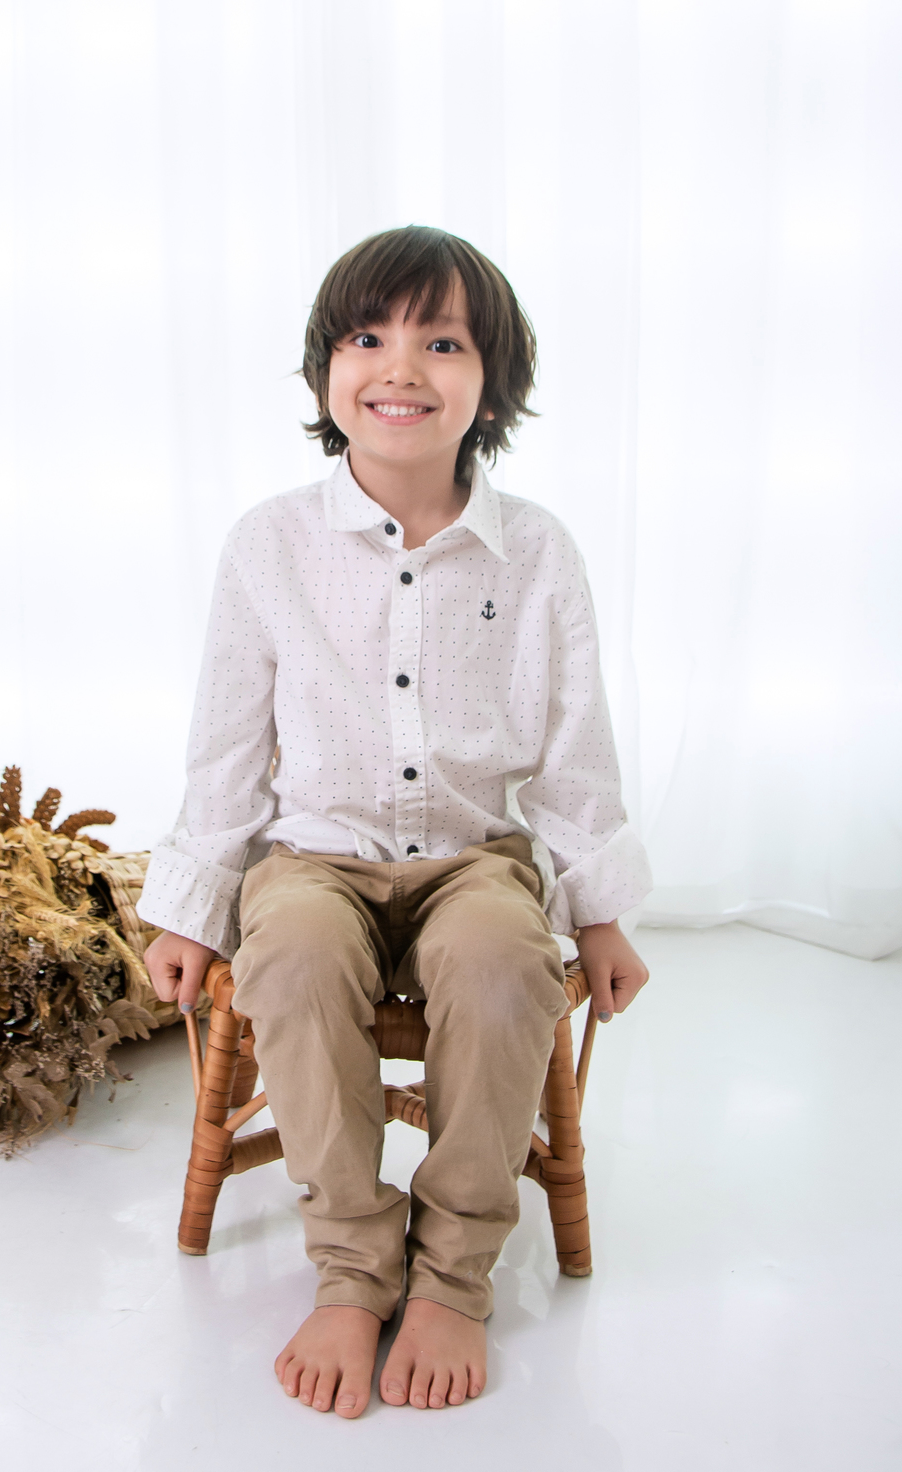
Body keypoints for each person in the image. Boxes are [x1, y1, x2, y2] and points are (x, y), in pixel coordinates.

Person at [138, 224, 651, 1418]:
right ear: (326, 369)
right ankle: (354, 1266)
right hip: (314, 858)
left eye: (443, 342)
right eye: (366, 338)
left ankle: (455, 1273)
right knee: (295, 959)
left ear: (494, 385)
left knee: (505, 965)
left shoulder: (539, 555)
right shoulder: (269, 546)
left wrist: (600, 913)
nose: (400, 368)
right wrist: (194, 907)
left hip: (476, 859)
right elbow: (227, 749)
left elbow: (573, 750)